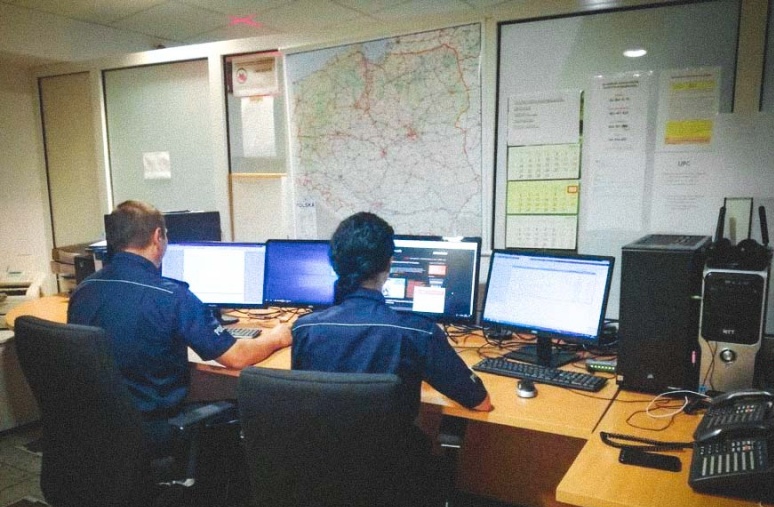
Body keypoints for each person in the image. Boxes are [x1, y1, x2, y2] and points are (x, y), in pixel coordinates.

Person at [68, 200, 292, 452]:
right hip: (155, 429)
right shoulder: (172, 297)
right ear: (158, 237)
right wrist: (277, 337)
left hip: (96, 426)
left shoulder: (84, 290)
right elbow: (237, 357)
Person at [291, 211, 493, 419]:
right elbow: (481, 402)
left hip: (322, 440)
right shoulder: (419, 332)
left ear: (335, 264)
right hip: (392, 441)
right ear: (389, 264)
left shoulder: (304, 329)